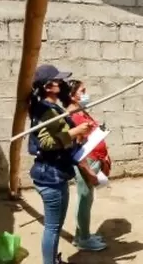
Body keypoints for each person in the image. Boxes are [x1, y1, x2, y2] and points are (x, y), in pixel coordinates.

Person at [28, 64, 99, 264]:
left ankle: (52, 259)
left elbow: (59, 138)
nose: (61, 82)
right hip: (50, 175)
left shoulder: (53, 107)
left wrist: (77, 136)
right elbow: (46, 143)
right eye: (57, 80)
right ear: (48, 86)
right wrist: (75, 132)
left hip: (56, 173)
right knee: (52, 227)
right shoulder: (45, 109)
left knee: (56, 226)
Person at [61, 79, 111, 252]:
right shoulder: (72, 117)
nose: (86, 93)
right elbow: (76, 150)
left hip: (95, 159)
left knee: (87, 198)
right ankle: (84, 239)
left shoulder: (82, 112)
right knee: (84, 198)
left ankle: (81, 234)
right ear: (71, 95)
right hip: (87, 162)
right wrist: (88, 169)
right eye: (82, 91)